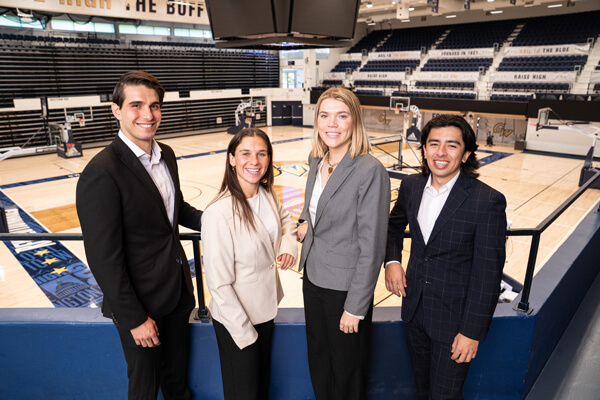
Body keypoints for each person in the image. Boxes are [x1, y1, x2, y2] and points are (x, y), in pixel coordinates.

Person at [76, 70, 202, 400]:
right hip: (140, 305)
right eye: (136, 105)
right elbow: (104, 259)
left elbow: (174, 212)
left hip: (175, 293)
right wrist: (135, 318)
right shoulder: (101, 172)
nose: (147, 115)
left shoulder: (167, 155)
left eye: (155, 106)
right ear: (116, 110)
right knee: (144, 387)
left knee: (177, 380)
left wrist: (224, 221)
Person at [384, 114, 507, 400]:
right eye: (434, 144)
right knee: (423, 390)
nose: (441, 153)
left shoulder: (487, 201)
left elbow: (488, 274)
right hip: (414, 311)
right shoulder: (411, 187)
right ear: (424, 149)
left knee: (445, 396)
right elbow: (393, 226)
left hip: (455, 324)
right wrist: (392, 262)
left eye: (451, 146)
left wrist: (471, 332)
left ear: (466, 154)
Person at [297, 87, 391, 400]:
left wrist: (355, 307)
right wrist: (303, 227)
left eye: (341, 115)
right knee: (319, 361)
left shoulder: (369, 170)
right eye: (325, 115)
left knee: (347, 370)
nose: (332, 123)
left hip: (344, 290)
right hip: (312, 278)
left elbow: (373, 246)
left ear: (355, 121)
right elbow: (314, 212)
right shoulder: (317, 160)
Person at [201, 128, 297, 400]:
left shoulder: (267, 194)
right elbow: (218, 284)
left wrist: (288, 246)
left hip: (265, 311)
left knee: (260, 388)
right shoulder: (218, 213)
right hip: (237, 322)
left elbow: (287, 222)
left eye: (261, 153)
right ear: (231, 159)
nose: (254, 161)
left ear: (269, 159)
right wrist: (245, 333)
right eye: (245, 153)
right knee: (243, 393)